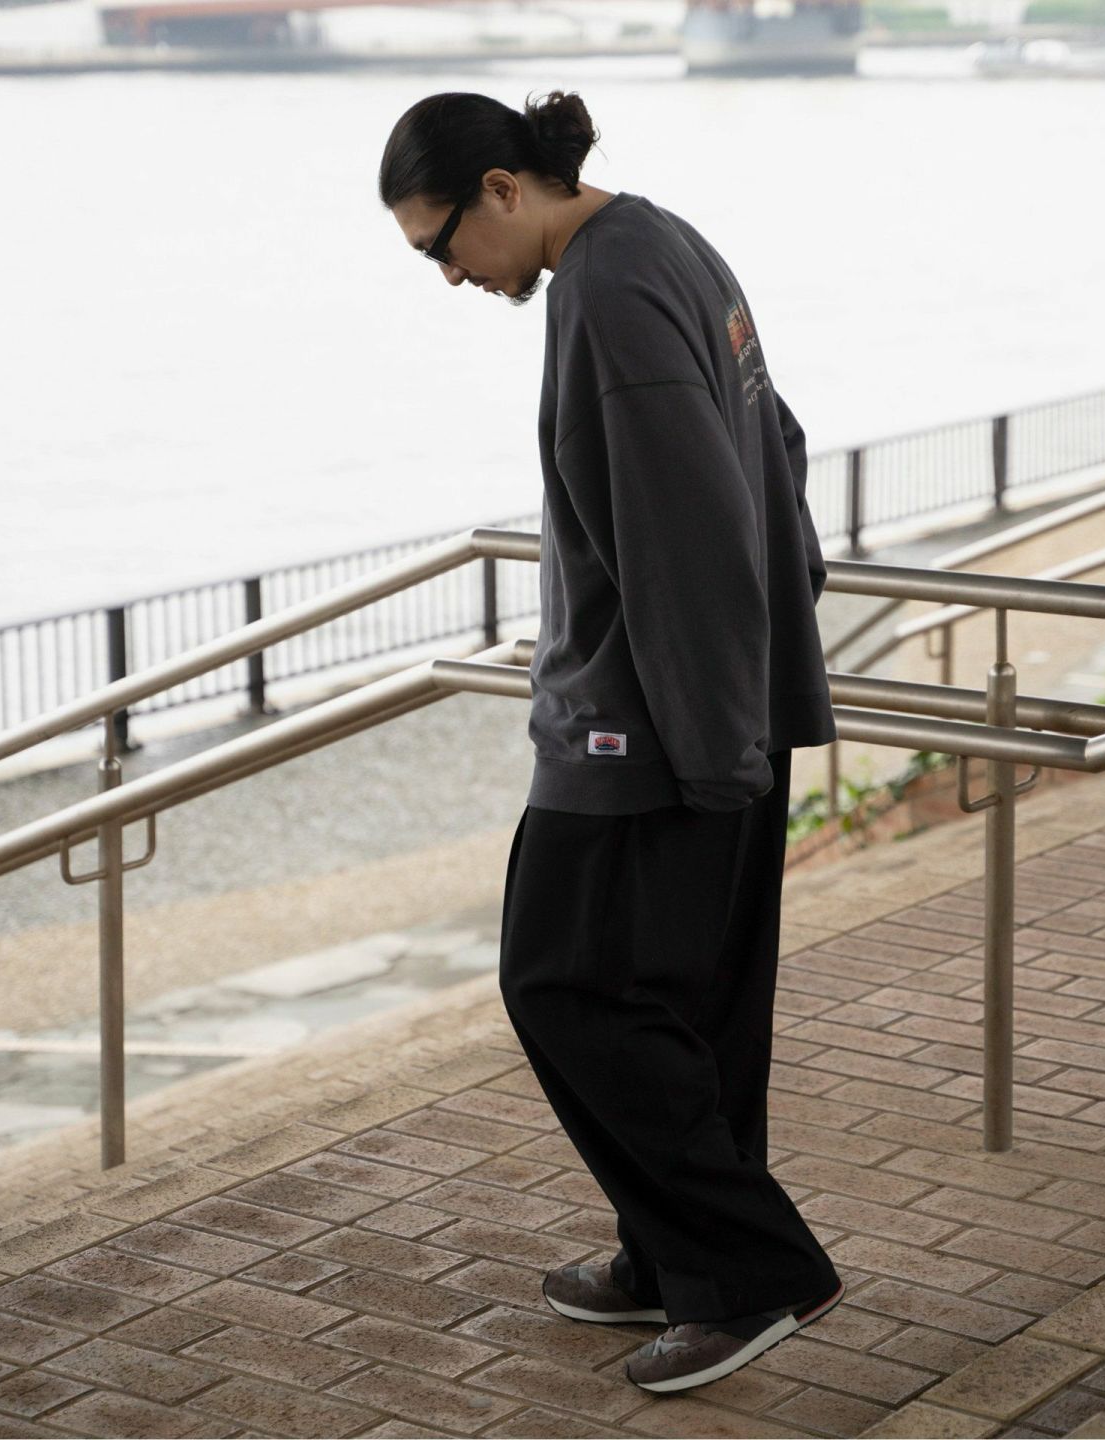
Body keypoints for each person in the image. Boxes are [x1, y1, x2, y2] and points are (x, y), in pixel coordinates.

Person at [379, 88, 842, 1395]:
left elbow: (687, 539)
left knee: (561, 982)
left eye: (441, 245)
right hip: (723, 702)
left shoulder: (610, 291)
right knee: (693, 1004)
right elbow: (779, 444)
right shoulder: (664, 242)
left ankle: (749, 1269)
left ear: (501, 189)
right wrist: (771, 648)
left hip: (653, 731)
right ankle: (672, 1255)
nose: (449, 276)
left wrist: (712, 743)